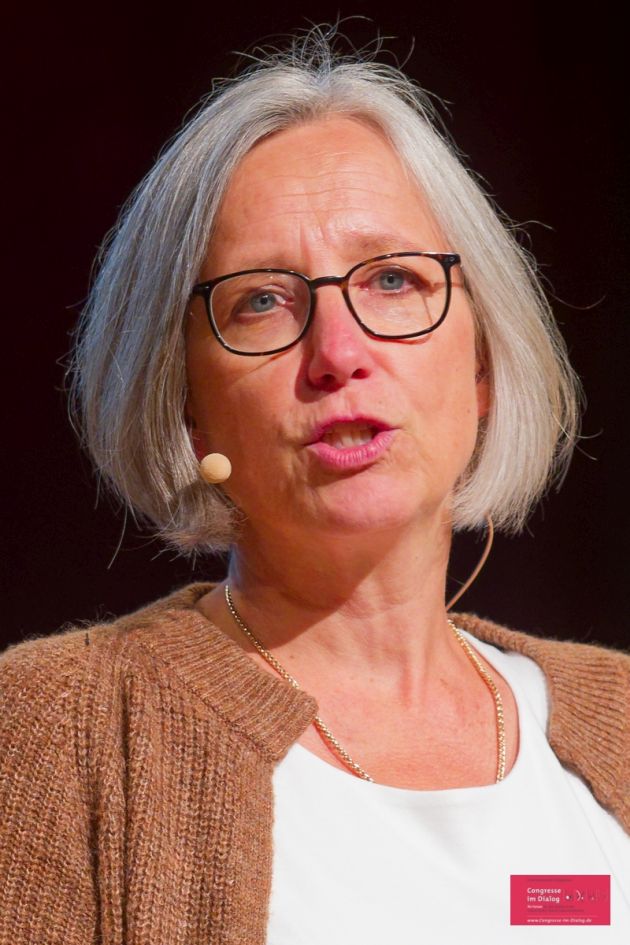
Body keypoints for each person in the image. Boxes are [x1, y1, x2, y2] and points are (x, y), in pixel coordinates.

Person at [1, 27, 629, 945]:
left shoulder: (617, 713)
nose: (338, 351)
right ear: (187, 406)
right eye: (261, 299)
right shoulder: (58, 728)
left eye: (394, 280)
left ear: (483, 364)